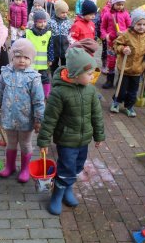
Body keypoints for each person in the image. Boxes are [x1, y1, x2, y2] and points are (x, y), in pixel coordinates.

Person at [37, 47, 105, 215]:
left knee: (77, 165)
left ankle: (67, 187)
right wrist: (44, 140)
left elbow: (96, 115)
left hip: (84, 139)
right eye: (89, 73)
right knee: (66, 166)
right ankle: (57, 194)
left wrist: (99, 135)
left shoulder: (90, 90)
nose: (92, 77)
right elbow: (50, 118)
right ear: (75, 74)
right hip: (66, 139)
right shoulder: (59, 92)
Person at [0, 39, 45, 182]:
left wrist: (39, 119)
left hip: (26, 119)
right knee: (11, 142)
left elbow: (39, 100)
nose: (22, 60)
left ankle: (25, 168)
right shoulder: (5, 73)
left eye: (26, 57)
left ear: (31, 59)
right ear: (12, 57)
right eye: (18, 56)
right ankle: (10, 166)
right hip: (8, 117)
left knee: (25, 143)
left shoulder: (34, 77)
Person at [110, 9, 145, 117]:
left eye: (144, 24)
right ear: (133, 23)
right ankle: (116, 102)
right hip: (125, 68)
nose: (142, 27)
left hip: (138, 69)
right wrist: (123, 49)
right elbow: (116, 45)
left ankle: (129, 106)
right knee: (121, 88)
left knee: (133, 91)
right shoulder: (126, 35)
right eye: (139, 24)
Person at [100, 0, 131, 89]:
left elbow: (130, 28)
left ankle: (120, 81)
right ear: (113, 3)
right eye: (118, 4)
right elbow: (102, 27)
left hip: (122, 43)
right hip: (111, 43)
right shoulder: (108, 14)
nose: (120, 6)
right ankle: (110, 80)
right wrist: (106, 35)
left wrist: (124, 33)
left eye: (122, 4)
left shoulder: (126, 14)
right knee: (111, 61)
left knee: (122, 61)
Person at [24, 10, 54, 98]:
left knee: (45, 79)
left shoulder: (48, 34)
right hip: (31, 63)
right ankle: (29, 94)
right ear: (35, 22)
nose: (43, 24)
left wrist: (50, 58)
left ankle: (46, 94)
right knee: (30, 79)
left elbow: (50, 47)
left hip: (43, 64)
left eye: (44, 22)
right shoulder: (28, 33)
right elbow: (22, 45)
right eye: (40, 22)